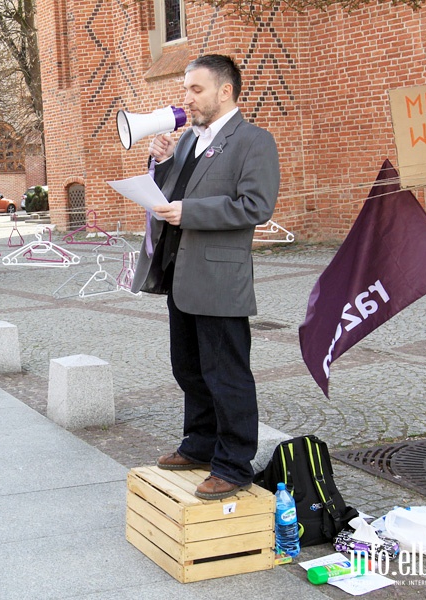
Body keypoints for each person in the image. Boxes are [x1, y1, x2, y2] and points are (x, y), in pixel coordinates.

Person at [131, 54, 280, 501]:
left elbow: (256, 206)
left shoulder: (253, 141)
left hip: (219, 281)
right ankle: (199, 444)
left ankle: (233, 465)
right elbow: (169, 197)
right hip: (181, 274)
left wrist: (189, 211)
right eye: (185, 90)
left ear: (225, 91)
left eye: (196, 89)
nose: (187, 99)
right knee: (188, 368)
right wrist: (160, 165)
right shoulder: (189, 142)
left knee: (227, 375)